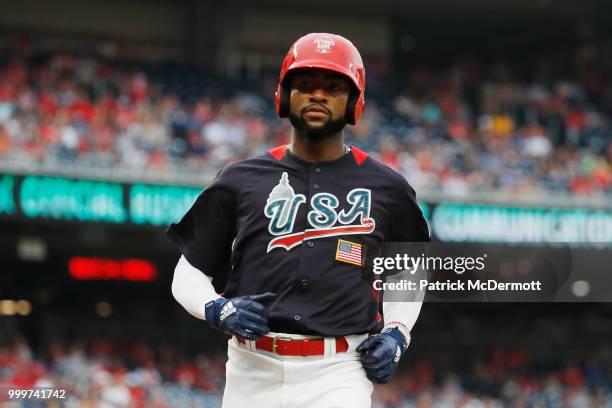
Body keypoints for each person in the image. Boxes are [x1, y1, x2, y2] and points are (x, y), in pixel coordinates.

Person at [167, 32, 429, 408]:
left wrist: (397, 332)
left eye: (333, 87)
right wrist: (218, 308)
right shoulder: (240, 179)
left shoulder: (387, 188)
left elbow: (408, 271)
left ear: (354, 101)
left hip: (338, 370)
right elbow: (188, 272)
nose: (318, 95)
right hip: (251, 366)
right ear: (284, 95)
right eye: (305, 84)